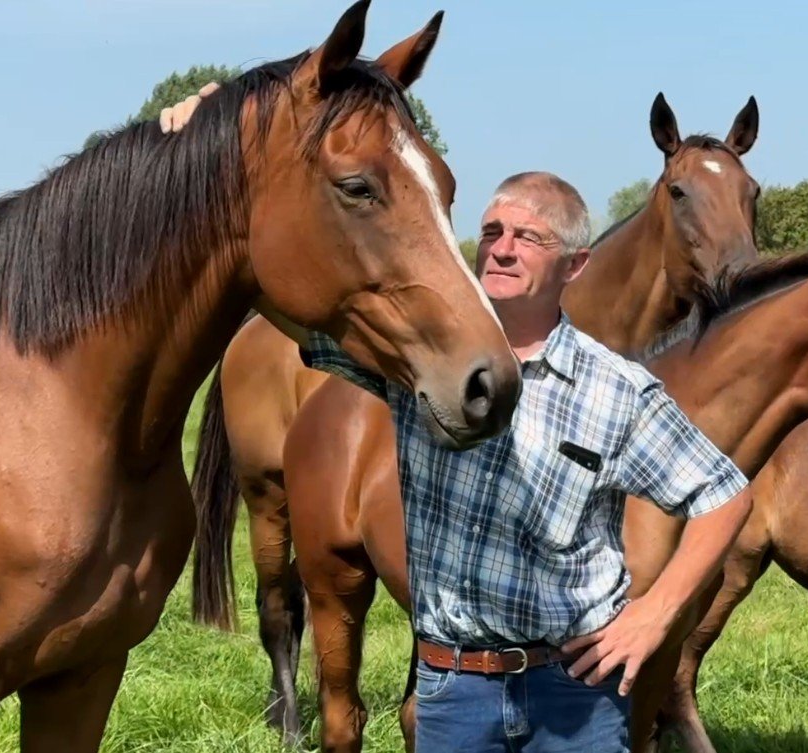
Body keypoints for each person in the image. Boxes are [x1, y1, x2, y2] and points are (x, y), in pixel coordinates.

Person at [161, 92, 753, 752]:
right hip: (454, 690)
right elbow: (275, 291)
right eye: (493, 232)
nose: (502, 249)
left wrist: (656, 613)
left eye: (529, 238)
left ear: (574, 264)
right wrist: (217, 130)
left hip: (573, 692)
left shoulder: (616, 388)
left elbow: (724, 494)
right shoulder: (418, 364)